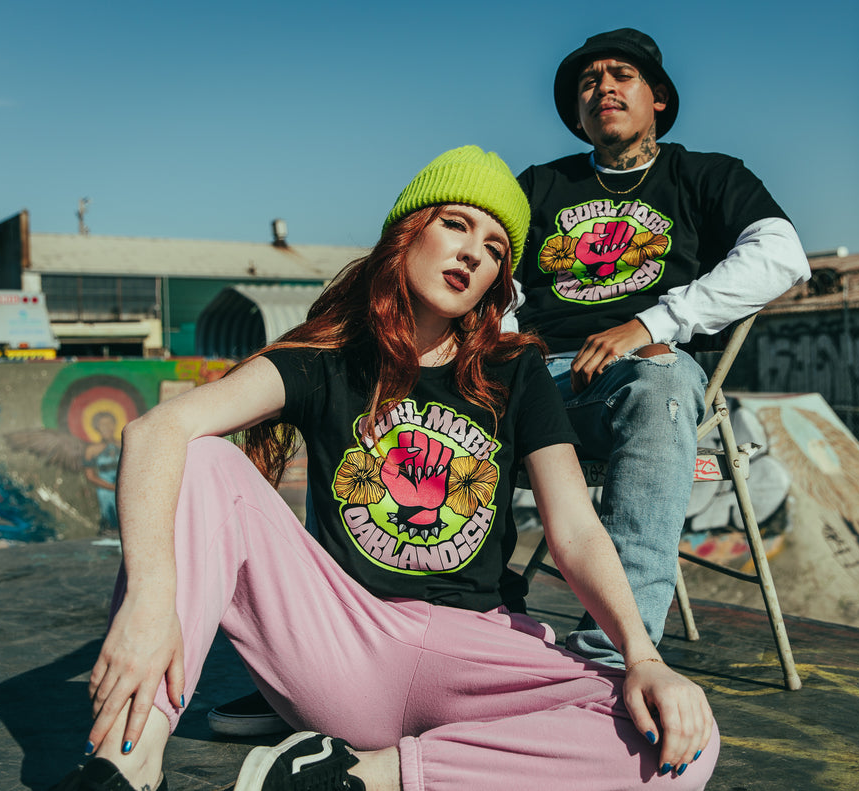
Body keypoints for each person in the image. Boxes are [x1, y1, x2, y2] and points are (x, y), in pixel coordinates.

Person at [52, 145, 719, 791]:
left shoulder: (515, 371)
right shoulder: (328, 357)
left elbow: (573, 528)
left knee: (683, 740)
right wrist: (148, 598)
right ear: (406, 233)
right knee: (200, 457)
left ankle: (353, 777)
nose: (472, 252)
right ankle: (127, 760)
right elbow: (155, 429)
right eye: (456, 224)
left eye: (493, 248)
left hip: (476, 652)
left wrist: (643, 656)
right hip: (342, 642)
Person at [510, 28, 811, 667]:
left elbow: (782, 256)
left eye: (622, 76)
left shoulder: (706, 175)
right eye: (590, 82)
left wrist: (653, 324)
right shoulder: (538, 185)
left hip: (636, 377)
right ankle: (461, 621)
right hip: (532, 376)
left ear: (660, 100)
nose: (603, 89)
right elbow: (493, 277)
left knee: (665, 382)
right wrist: (503, 347)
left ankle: (612, 655)